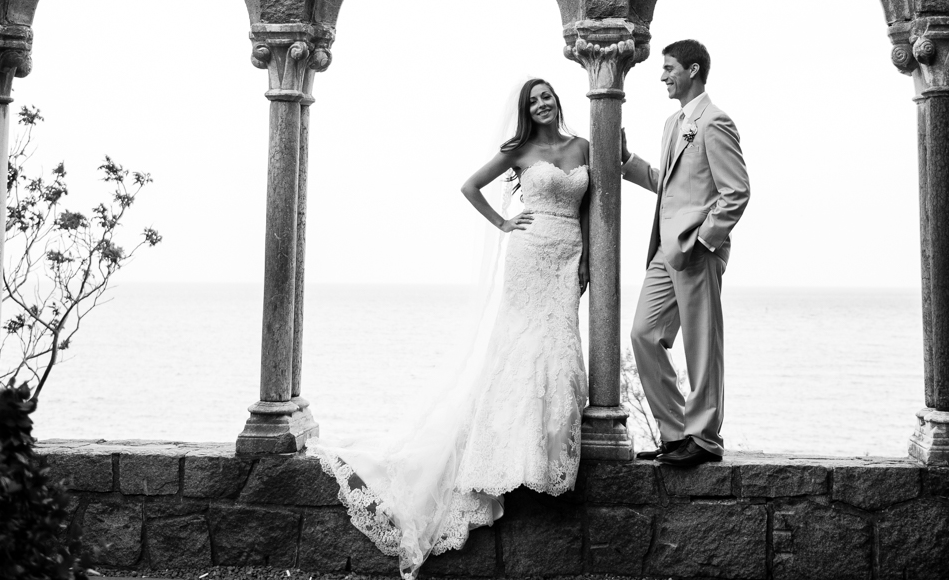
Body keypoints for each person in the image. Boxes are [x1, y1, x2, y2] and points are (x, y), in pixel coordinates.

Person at [310, 78, 590, 579]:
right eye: (533, 100)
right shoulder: (520, 151)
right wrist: (505, 226)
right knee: (521, 351)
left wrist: (588, 256)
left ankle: (547, 459)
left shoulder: (581, 147)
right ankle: (509, 457)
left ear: (557, 100)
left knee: (560, 349)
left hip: (568, 255)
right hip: (530, 254)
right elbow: (469, 187)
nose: (542, 103)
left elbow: (591, 209)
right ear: (526, 110)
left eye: (546, 96)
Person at [621, 39, 749, 467]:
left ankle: (704, 439)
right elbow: (668, 181)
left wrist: (704, 240)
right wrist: (627, 161)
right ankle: (675, 433)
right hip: (664, 251)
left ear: (693, 70)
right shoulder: (671, 124)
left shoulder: (715, 122)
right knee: (643, 333)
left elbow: (736, 192)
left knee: (701, 345)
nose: (663, 76)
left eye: (669, 67)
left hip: (696, 250)